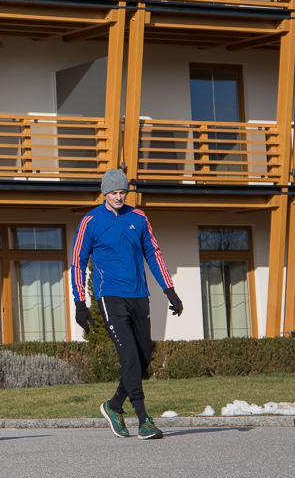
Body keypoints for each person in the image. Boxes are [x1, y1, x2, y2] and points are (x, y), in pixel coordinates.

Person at [72, 169, 183, 440]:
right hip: (110, 295)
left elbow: (153, 252)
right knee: (129, 356)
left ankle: (113, 406)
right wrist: (80, 303)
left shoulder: (139, 217)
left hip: (139, 294)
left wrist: (169, 290)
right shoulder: (91, 221)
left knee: (143, 357)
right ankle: (143, 419)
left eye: (122, 192)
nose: (119, 196)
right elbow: (78, 261)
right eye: (113, 193)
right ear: (104, 193)